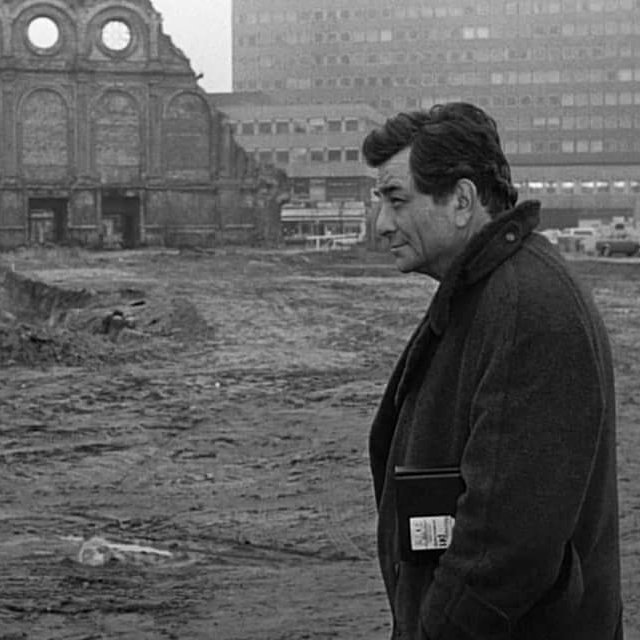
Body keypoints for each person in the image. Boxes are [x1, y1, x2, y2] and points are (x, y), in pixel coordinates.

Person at [363, 102, 622, 640]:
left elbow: (506, 545)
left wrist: (436, 628)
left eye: (396, 200)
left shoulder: (527, 306)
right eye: (378, 202)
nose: (382, 225)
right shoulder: (488, 290)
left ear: (462, 201)